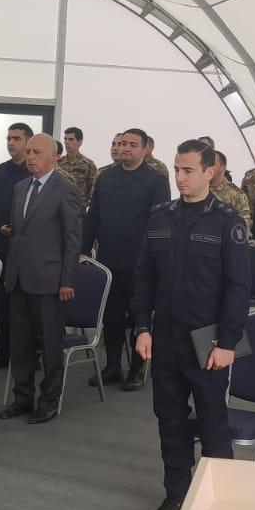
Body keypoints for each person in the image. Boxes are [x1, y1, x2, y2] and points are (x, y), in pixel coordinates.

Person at [133, 140, 251, 510]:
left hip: (209, 339)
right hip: (166, 337)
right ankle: (177, 497)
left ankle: (221, 502)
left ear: (209, 172)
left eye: (188, 171)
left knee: (213, 422)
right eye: (177, 170)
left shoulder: (227, 222)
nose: (180, 178)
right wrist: (142, 327)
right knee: (170, 421)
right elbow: (144, 277)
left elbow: (239, 288)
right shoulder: (160, 217)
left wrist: (228, 343)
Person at [0, 134, 82, 426]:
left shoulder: (66, 189)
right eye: (28, 151)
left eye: (37, 152)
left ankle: (49, 401)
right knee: (19, 343)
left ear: (54, 156)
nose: (30, 157)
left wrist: (67, 280)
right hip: (19, 278)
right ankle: (22, 398)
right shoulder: (21, 187)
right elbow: (19, 233)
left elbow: (72, 239)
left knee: (50, 345)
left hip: (49, 281)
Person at [82, 128, 167, 391]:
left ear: (145, 149)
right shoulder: (106, 177)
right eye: (122, 143)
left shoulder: (155, 180)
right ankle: (112, 366)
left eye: (132, 145)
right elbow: (93, 215)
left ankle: (137, 368)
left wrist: (157, 258)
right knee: (112, 316)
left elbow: (161, 223)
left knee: (139, 316)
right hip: (109, 259)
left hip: (140, 263)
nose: (126, 148)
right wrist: (83, 249)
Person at [0, 123, 34, 369]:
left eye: (16, 138)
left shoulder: (34, 171)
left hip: (28, 249)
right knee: (2, 303)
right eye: (9, 138)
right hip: (2, 246)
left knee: (26, 304)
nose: (11, 143)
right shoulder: (0, 172)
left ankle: (29, 352)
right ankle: (3, 350)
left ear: (28, 141)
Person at [208, 150, 252, 229]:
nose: (208, 167)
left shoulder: (236, 194)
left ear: (223, 168)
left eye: (213, 164)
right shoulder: (196, 188)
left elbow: (243, 224)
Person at [58, 126, 99, 209]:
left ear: (79, 142)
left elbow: (92, 191)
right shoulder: (58, 163)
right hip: (60, 207)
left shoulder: (88, 164)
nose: (67, 142)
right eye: (65, 139)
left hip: (79, 209)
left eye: (71, 139)